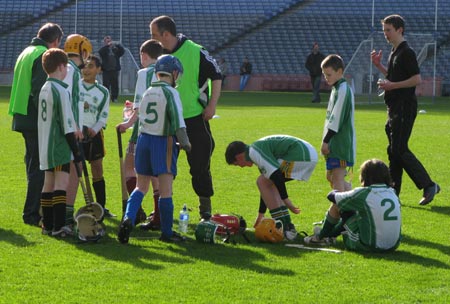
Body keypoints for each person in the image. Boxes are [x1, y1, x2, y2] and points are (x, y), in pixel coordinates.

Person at [150, 15, 222, 221]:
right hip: (165, 120)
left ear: (166, 34)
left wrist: (212, 105)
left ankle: (205, 211)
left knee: (199, 166)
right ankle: (161, 213)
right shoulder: (158, 54)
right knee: (162, 168)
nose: (153, 39)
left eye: (155, 35)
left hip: (193, 119)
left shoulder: (195, 50)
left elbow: (217, 76)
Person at [117, 55, 191, 244]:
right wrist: (186, 144)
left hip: (143, 140)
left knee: (141, 187)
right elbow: (177, 121)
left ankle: (128, 219)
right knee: (165, 190)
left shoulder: (149, 91)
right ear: (173, 73)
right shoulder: (170, 93)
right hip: (162, 142)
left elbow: (139, 113)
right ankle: (167, 232)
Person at [371, 14, 439, 205]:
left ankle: (428, 184)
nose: (385, 34)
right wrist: (379, 66)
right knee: (393, 150)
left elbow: (416, 79)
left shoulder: (406, 52)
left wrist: (392, 86)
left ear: (399, 29)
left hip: (404, 107)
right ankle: (393, 192)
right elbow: (393, 77)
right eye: (384, 30)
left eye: (388, 30)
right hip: (394, 107)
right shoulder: (395, 51)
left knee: (399, 149)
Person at [8, 23, 64, 226]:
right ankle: (32, 213)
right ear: (56, 40)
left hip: (22, 115)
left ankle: (34, 209)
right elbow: (40, 92)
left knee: (32, 164)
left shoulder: (26, 51)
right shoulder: (42, 54)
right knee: (39, 168)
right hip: (34, 118)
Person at [225, 135, 319, 240]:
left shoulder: (254, 152)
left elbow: (276, 175)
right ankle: (287, 226)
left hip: (302, 155)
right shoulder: (256, 150)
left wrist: (287, 200)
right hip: (308, 154)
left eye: (237, 164)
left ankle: (282, 227)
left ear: (239, 157)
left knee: (263, 181)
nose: (241, 167)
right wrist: (261, 214)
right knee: (267, 182)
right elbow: (268, 186)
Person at [305, 54, 356, 245]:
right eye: (324, 75)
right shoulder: (337, 88)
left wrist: (326, 141)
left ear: (340, 72)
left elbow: (336, 119)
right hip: (335, 144)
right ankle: (354, 210)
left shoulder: (343, 89)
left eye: (329, 74)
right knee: (335, 182)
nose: (326, 78)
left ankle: (331, 229)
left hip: (340, 145)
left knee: (337, 189)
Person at [116, 39, 164, 229]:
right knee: (157, 175)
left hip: (143, 129)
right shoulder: (167, 72)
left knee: (130, 167)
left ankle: (136, 212)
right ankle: (158, 216)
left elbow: (140, 105)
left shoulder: (144, 73)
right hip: (161, 129)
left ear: (144, 55)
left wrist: (128, 122)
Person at [38, 48, 83, 236]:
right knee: (61, 184)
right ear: (61, 67)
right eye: (66, 67)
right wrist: (76, 151)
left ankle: (47, 225)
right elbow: (67, 125)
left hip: (45, 144)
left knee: (48, 183)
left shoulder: (44, 87)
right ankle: (59, 226)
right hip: (59, 145)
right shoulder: (61, 91)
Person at [318, 159, 401, 252]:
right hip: (393, 245)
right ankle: (327, 235)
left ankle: (321, 237)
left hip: (369, 245)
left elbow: (331, 196)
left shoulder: (365, 193)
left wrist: (345, 189)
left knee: (341, 206)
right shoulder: (393, 192)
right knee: (358, 211)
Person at [80, 54, 110, 217]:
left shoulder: (103, 92)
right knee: (73, 171)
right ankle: (68, 207)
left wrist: (95, 128)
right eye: (85, 66)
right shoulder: (75, 86)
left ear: (98, 70)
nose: (86, 69)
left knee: (97, 169)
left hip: (94, 134)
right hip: (76, 133)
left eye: (91, 66)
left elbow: (103, 116)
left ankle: (101, 207)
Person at [98, 35, 125, 102]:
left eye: (109, 41)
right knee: (106, 85)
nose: (109, 42)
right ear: (105, 42)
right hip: (106, 70)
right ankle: (106, 98)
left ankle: (114, 98)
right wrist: (107, 46)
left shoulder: (115, 49)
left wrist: (117, 45)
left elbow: (122, 51)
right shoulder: (104, 49)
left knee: (115, 85)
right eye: (107, 41)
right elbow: (100, 52)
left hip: (114, 70)